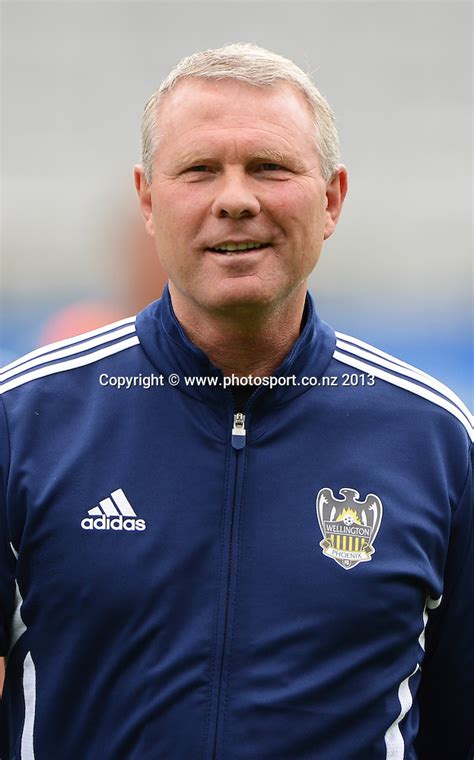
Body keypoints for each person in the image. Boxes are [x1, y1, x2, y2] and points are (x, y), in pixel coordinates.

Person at [0, 43, 472, 760]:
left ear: (332, 199)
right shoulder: (23, 420)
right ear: (149, 201)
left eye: (270, 167)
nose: (236, 198)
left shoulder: (437, 439)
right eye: (199, 170)